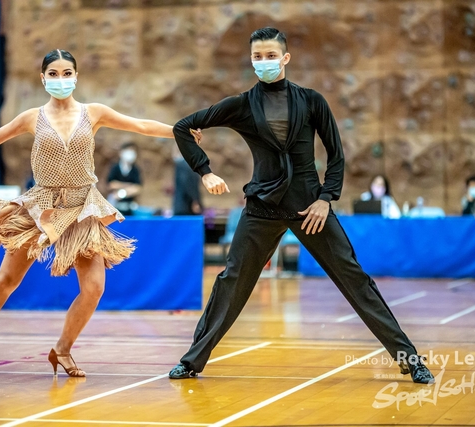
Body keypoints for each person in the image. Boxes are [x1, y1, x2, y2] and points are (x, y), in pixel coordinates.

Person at [169, 28, 433, 384]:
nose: (264, 62)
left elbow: (336, 156)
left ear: (285, 58)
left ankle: (409, 359)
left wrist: (326, 199)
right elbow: (183, 127)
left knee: (355, 280)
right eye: (257, 56)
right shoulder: (241, 105)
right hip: (262, 207)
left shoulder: (311, 101)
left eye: (270, 55)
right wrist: (205, 172)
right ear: (251, 60)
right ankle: (191, 361)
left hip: (310, 209)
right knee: (231, 282)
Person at [0, 49, 201, 376]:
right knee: (6, 280)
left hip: (82, 208)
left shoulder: (94, 113)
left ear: (76, 77)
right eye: (53, 74)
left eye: (66, 73)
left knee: (94, 287)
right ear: (43, 78)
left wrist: (180, 130)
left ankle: (62, 349)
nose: (60, 79)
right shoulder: (32, 117)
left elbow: (141, 125)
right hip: (42, 207)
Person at [106, 142, 142, 215]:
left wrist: (122, 193)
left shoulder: (135, 169)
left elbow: (137, 188)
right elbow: (111, 185)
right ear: (121, 152)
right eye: (128, 150)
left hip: (129, 205)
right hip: (114, 203)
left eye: (133, 151)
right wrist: (129, 186)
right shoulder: (115, 168)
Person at [172, 145, 203, 215]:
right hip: (186, 206)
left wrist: (194, 201)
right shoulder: (186, 165)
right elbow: (187, 184)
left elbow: (188, 183)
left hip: (184, 205)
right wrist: (195, 201)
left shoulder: (184, 165)